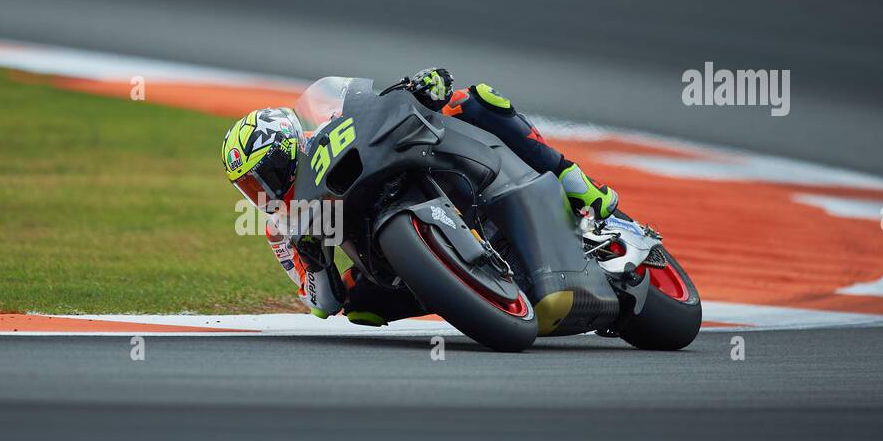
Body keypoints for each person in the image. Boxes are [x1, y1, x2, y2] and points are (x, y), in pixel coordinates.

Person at [219, 68, 618, 324]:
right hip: (378, 250)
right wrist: (313, 259)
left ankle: (571, 177)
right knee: (358, 305)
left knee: (473, 99)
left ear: (289, 148)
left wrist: (420, 88)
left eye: (264, 175)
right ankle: (465, 291)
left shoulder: (322, 129)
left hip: (411, 164)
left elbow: (370, 105)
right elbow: (322, 303)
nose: (263, 192)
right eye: (250, 186)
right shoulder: (281, 229)